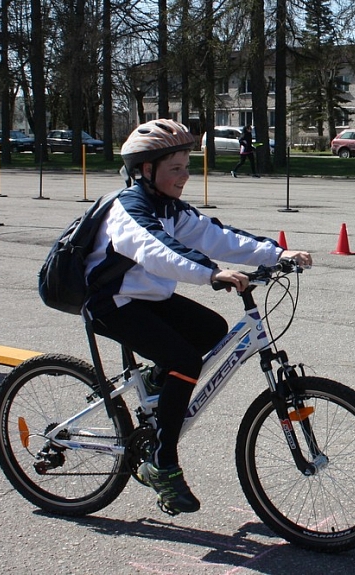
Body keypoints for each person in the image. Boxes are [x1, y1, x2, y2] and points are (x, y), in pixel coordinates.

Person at [84, 119, 312, 514]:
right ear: (145, 170)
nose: (185, 176)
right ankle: (162, 463)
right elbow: (158, 250)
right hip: (112, 302)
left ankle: (159, 383)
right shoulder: (129, 209)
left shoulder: (170, 207)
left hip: (146, 298)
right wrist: (210, 273)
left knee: (212, 329)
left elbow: (215, 235)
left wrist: (277, 254)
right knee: (185, 361)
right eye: (176, 168)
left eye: (187, 166)